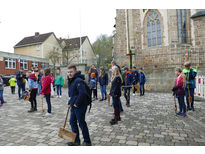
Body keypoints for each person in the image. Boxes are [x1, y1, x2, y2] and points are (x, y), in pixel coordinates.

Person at [67, 65, 92, 146]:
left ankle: (87, 141)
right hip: (74, 105)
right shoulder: (71, 80)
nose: (69, 73)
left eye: (71, 72)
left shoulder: (78, 80)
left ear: (75, 71)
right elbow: (73, 94)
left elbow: (83, 93)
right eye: (68, 72)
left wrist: (76, 104)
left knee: (81, 123)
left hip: (80, 105)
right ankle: (76, 141)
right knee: (72, 122)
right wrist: (70, 103)